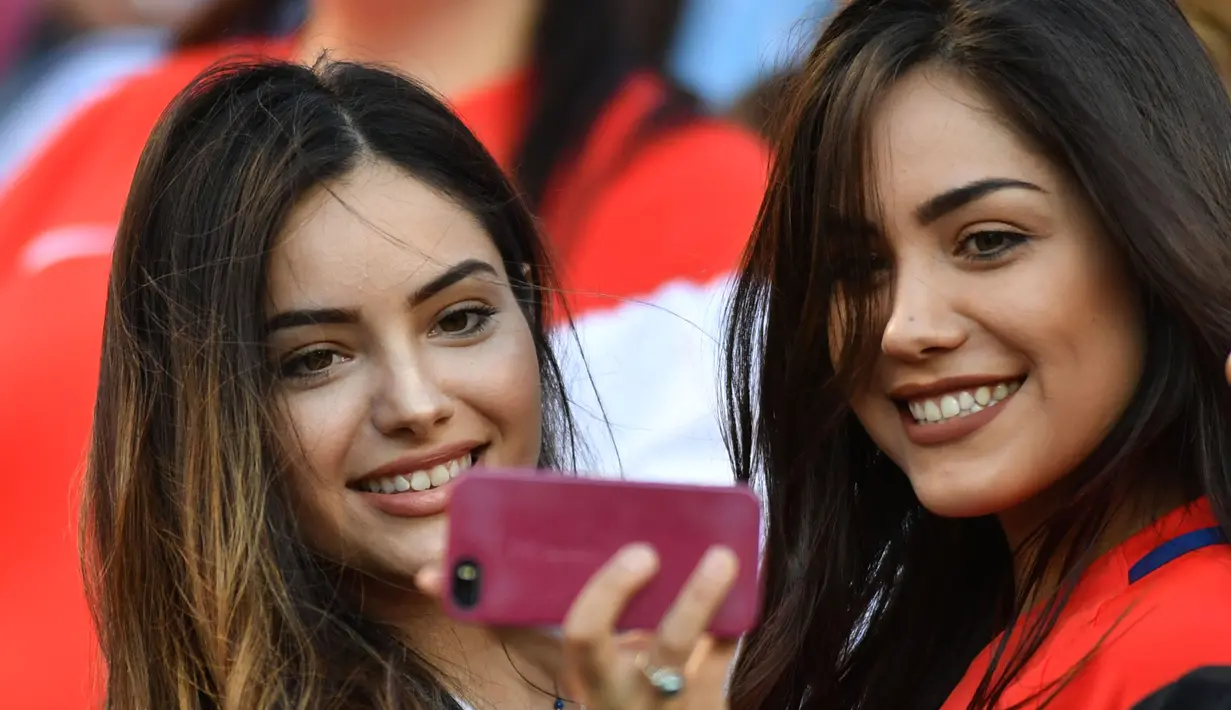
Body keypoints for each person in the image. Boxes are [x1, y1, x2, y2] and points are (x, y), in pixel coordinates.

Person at [0, 2, 766, 705]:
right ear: (215, 409)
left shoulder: (722, 662)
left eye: (461, 319)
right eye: (314, 360)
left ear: (529, 306)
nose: (416, 403)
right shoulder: (100, 122)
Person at [722, 0, 1231, 708]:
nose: (902, 327)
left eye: (987, 241)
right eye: (856, 267)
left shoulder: (1196, 653)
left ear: (1155, 243)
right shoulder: (955, 646)